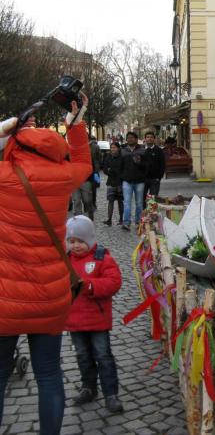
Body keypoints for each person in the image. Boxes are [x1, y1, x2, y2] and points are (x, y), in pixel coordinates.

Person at [0, 96, 91, 434]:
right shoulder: (61, 175)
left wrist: (5, 127)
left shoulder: (4, 174)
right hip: (51, 296)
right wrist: (76, 122)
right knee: (50, 374)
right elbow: (83, 160)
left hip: (4, 299)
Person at [64, 215, 123, 413]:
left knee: (103, 355)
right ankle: (88, 387)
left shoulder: (101, 258)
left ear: (89, 240)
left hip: (97, 320)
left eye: (80, 241)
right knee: (82, 355)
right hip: (74, 320)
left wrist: (90, 285)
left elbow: (114, 282)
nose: (76, 245)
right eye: (72, 241)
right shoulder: (65, 260)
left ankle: (111, 393)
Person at [120, 132, 146, 231]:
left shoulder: (142, 150)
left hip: (139, 181)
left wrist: (140, 163)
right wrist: (122, 177)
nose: (130, 139)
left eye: (132, 138)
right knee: (127, 202)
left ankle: (138, 222)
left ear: (136, 139)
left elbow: (146, 165)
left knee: (139, 203)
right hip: (127, 180)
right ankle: (126, 222)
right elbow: (120, 166)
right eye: (128, 138)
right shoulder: (123, 151)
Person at [102, 142, 124, 226]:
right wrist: (110, 171)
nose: (112, 149)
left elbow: (122, 170)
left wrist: (112, 170)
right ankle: (109, 220)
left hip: (120, 182)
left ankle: (121, 219)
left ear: (118, 148)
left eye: (114, 147)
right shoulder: (108, 157)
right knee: (110, 201)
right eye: (111, 147)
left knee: (120, 201)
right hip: (111, 182)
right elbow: (105, 169)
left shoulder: (122, 158)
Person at [143, 131, 165, 205]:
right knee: (142, 199)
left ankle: (151, 215)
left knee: (153, 199)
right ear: (145, 139)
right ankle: (144, 215)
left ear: (154, 139)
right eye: (148, 137)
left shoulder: (159, 150)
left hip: (154, 179)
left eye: (151, 137)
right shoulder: (142, 150)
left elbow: (162, 164)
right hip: (143, 179)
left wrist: (159, 177)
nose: (149, 139)